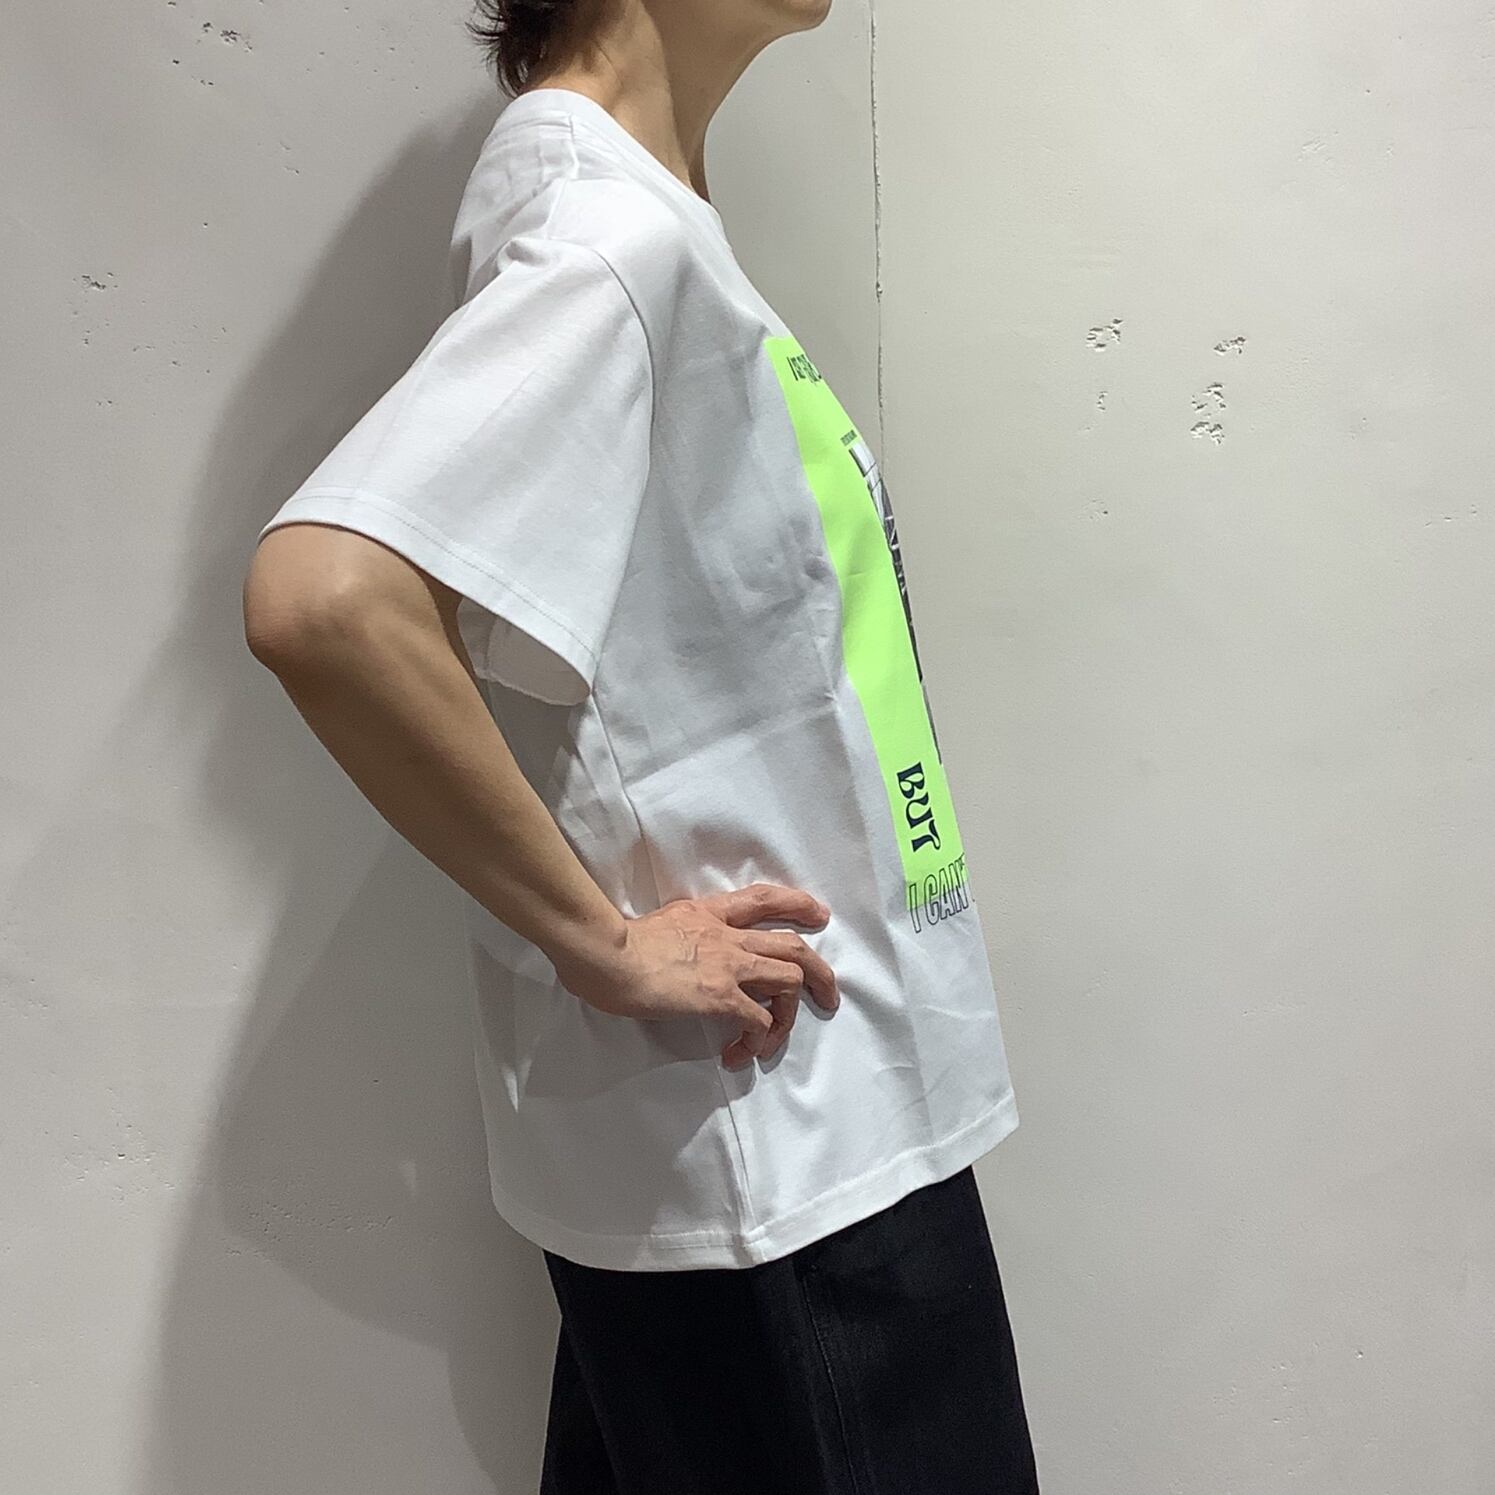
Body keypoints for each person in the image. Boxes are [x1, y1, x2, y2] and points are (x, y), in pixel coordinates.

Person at [242, 0, 1039, 1488]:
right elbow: (325, 601)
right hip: (789, 1158)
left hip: (775, 1133)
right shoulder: (613, 246)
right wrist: (602, 944)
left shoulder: (647, 231)